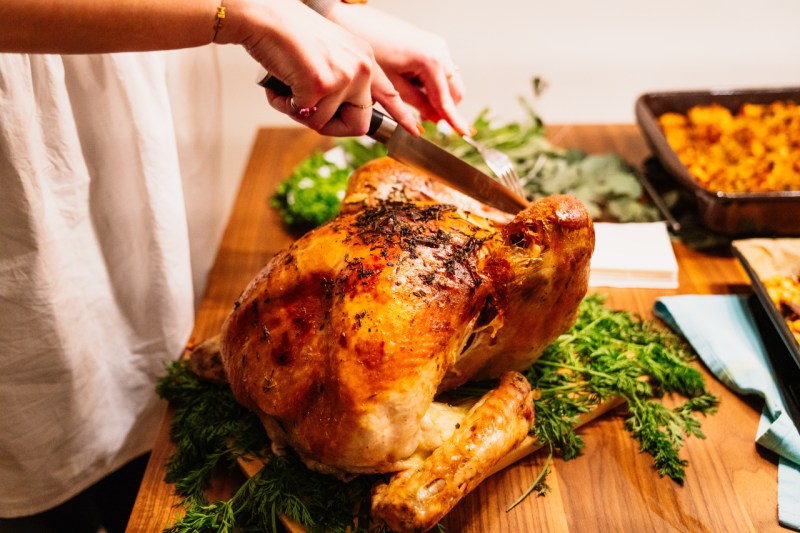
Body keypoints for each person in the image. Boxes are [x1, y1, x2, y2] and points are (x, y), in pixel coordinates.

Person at [0, 1, 470, 531]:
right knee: (59, 422)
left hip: (147, 48)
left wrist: (320, 12)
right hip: (28, 98)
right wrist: (242, 14)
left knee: (152, 354)